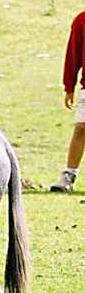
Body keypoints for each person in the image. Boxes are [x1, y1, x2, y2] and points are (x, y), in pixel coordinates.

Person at [51, 10, 85, 193]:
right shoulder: (82, 20)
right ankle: (69, 175)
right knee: (81, 128)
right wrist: (69, 85)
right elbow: (74, 54)